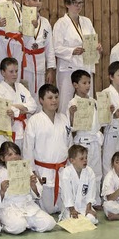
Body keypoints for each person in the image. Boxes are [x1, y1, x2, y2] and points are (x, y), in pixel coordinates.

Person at [23, 84, 71, 214]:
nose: (54, 100)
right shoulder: (34, 121)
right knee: (48, 209)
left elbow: (69, 144)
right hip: (42, 172)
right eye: (50, 97)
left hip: (61, 171)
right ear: (41, 100)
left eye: (56, 97)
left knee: (64, 208)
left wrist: (70, 169)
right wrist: (32, 172)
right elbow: (28, 150)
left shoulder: (64, 119)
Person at [0, 142, 56, 234]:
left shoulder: (27, 170)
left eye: (17, 154)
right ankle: (6, 224)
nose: (14, 157)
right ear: (2, 158)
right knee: (17, 227)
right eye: (10, 154)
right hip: (9, 208)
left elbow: (38, 195)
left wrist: (33, 186)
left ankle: (28, 223)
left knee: (50, 223)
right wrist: (2, 191)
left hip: (27, 205)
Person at [53, 0, 102, 114]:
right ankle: (66, 131)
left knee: (86, 100)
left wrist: (97, 47)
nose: (79, 6)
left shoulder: (87, 21)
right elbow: (56, 48)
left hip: (85, 65)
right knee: (66, 102)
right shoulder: (61, 23)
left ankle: (86, 131)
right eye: (75, 3)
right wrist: (72, 51)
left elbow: (92, 41)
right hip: (68, 68)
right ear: (67, 4)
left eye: (81, 3)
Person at [66, 70, 103, 205]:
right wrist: (71, 114)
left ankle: (96, 201)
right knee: (82, 172)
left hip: (94, 141)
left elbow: (101, 122)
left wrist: (107, 112)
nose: (87, 86)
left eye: (89, 82)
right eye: (84, 83)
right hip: (82, 142)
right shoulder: (72, 103)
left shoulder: (93, 101)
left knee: (96, 173)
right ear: (75, 85)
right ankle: (80, 201)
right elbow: (70, 126)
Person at [21, 0, 56, 98]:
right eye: (34, 0)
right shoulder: (20, 19)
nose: (38, 3)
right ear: (26, 2)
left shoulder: (45, 22)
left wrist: (50, 69)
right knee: (25, 96)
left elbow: (49, 47)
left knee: (39, 97)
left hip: (40, 65)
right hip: (24, 65)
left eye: (40, 0)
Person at [0, 57, 37, 149]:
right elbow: (4, 109)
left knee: (26, 158)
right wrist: (23, 110)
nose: (15, 74)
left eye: (16, 71)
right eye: (11, 71)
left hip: (25, 129)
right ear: (3, 73)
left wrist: (17, 107)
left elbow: (33, 106)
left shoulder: (21, 87)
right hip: (11, 129)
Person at [58, 144, 98, 225]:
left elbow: (91, 191)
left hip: (84, 207)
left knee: (91, 219)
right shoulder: (66, 173)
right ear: (72, 160)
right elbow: (66, 193)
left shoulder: (89, 172)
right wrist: (72, 209)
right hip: (70, 208)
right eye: (81, 159)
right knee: (74, 221)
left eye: (86, 158)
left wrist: (89, 207)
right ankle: (69, 217)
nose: (85, 160)